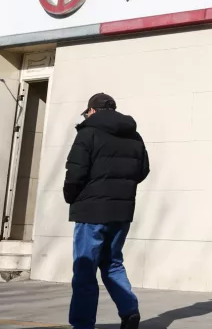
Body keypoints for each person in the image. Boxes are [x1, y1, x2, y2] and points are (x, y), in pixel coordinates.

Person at [64, 93, 150, 329]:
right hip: (121, 212)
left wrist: (71, 197)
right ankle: (130, 311)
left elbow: (75, 172)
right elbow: (142, 170)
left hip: (91, 211)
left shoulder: (88, 133)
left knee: (85, 269)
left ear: (92, 110)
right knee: (112, 263)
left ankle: (82, 324)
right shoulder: (134, 135)